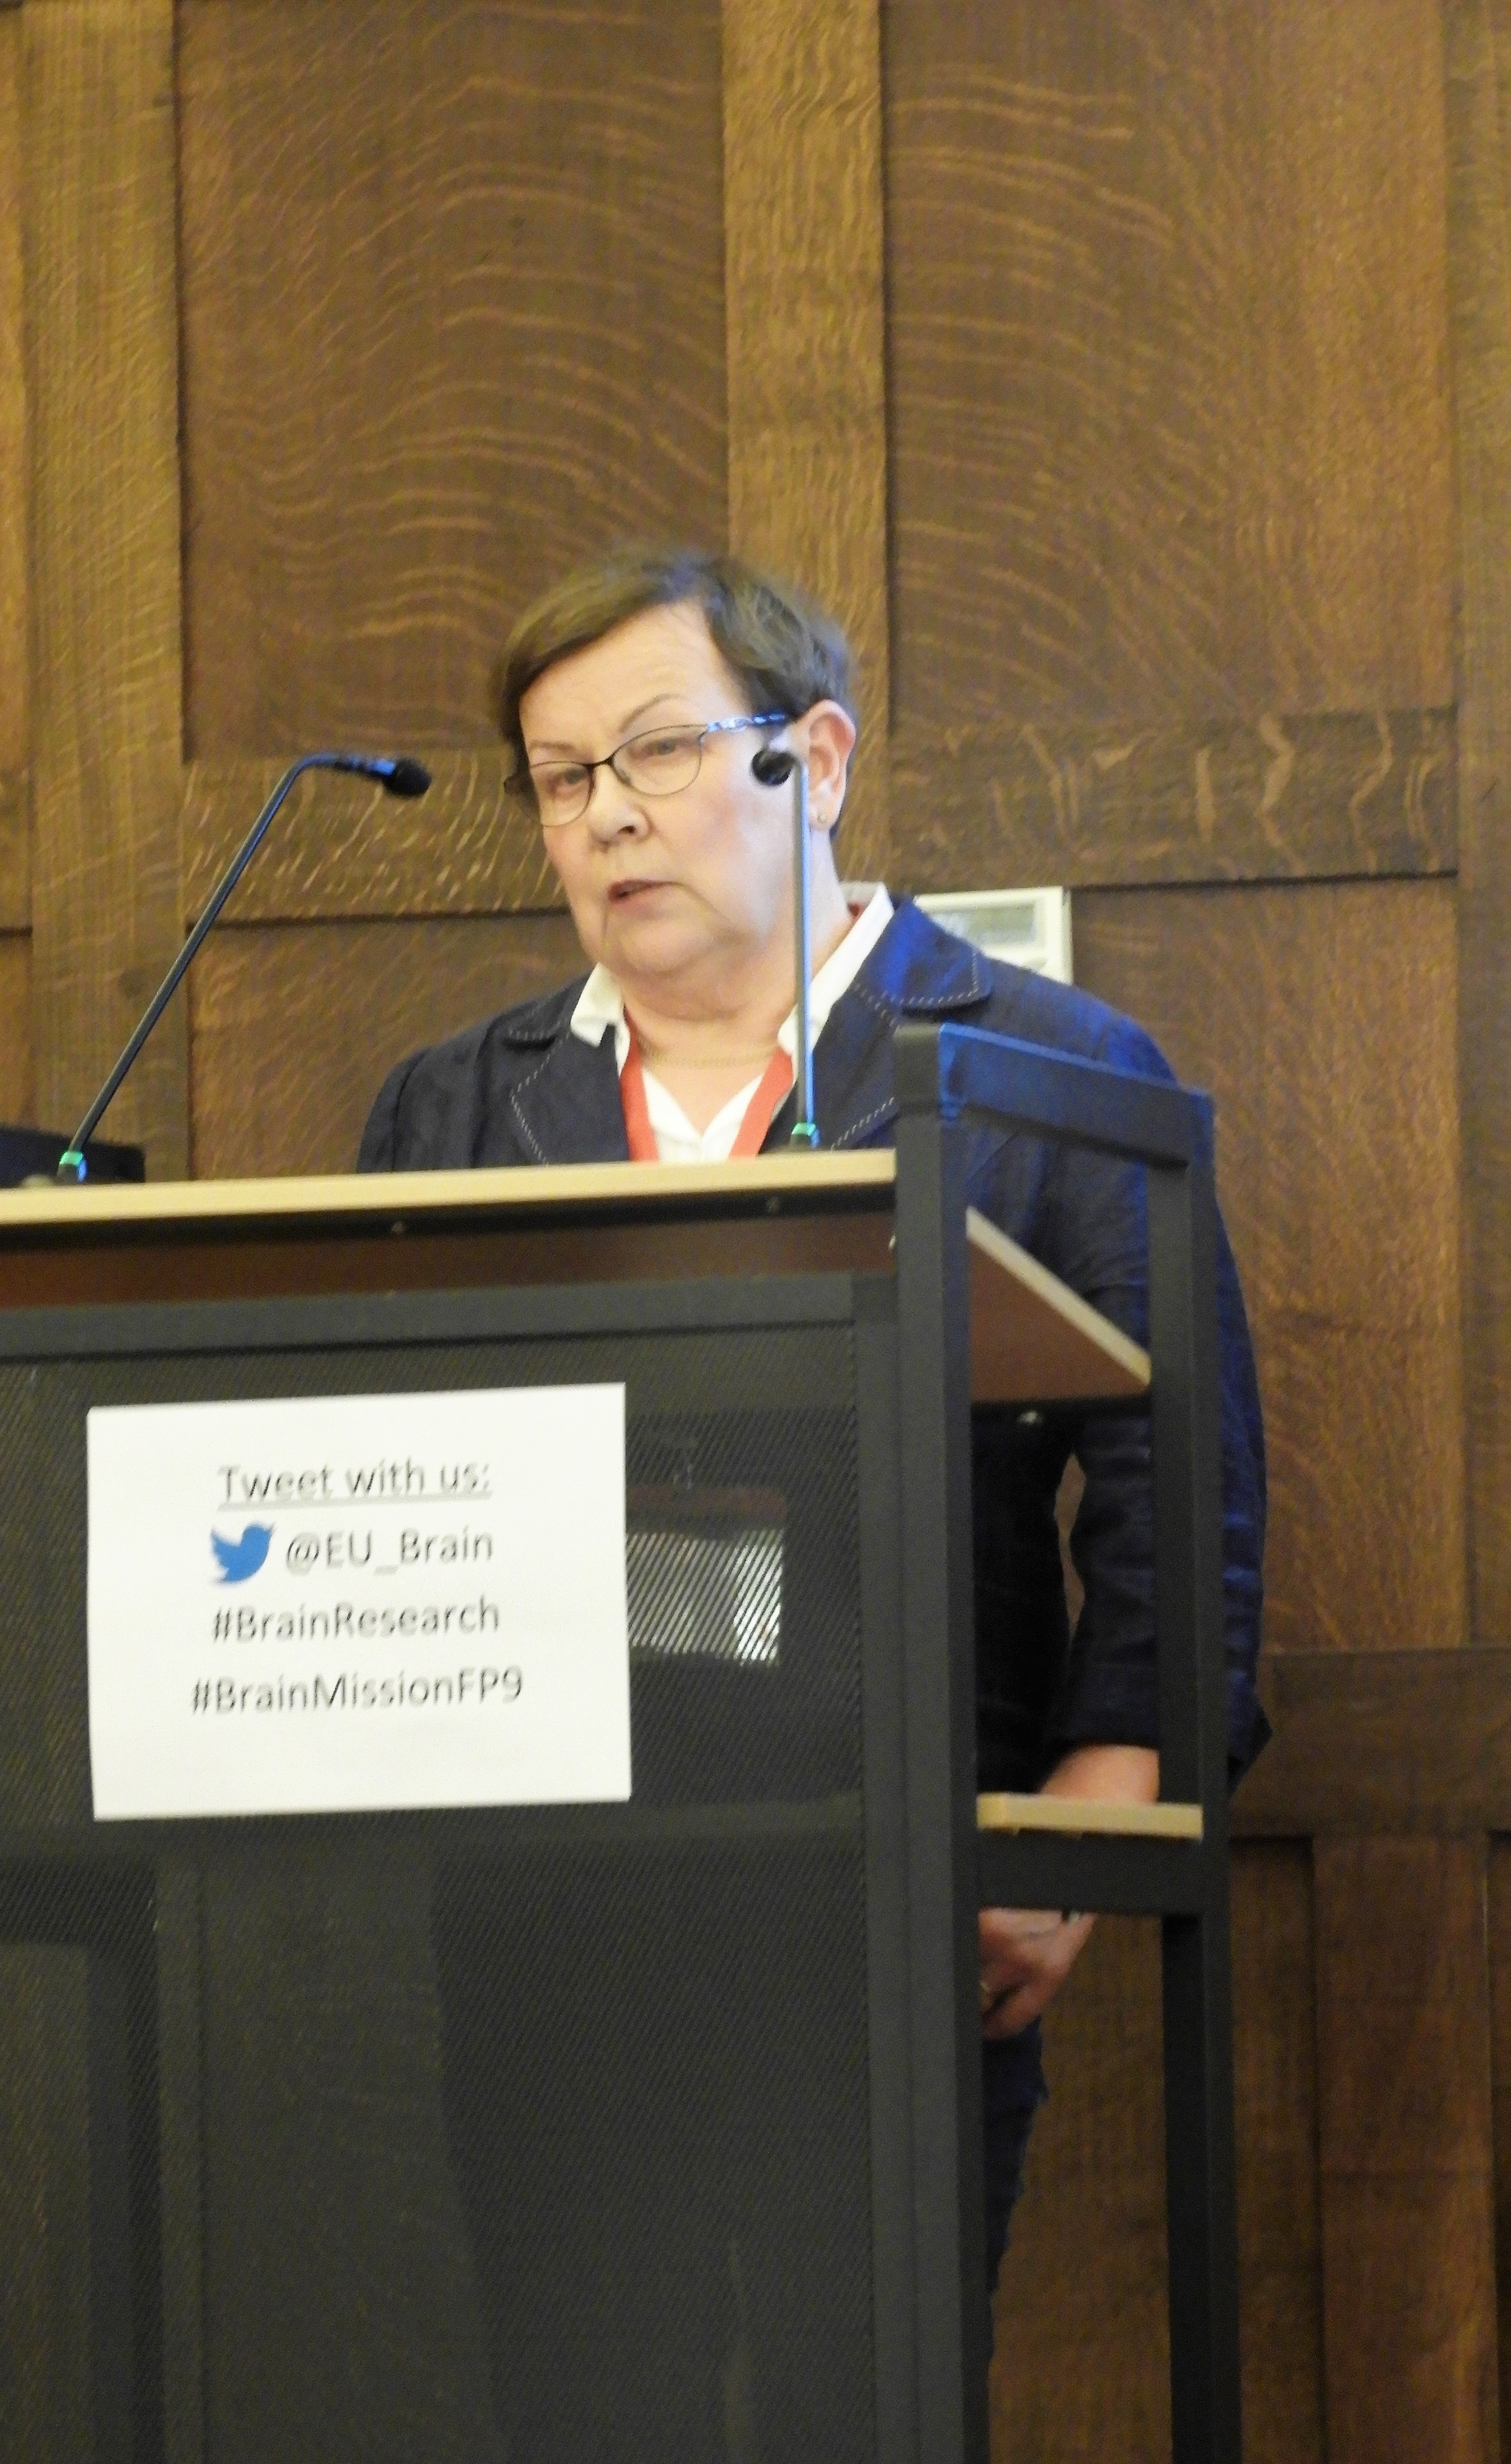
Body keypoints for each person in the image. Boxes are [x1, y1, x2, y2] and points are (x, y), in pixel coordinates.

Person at [358, 546, 1266, 2438]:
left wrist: (1088, 1834)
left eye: (659, 750)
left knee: (872, 2412)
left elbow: (1181, 1496)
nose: (609, 815)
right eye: (562, 778)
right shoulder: (452, 1109)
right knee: (583, 2410)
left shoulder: (1048, 1074)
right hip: (549, 1913)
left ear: (818, 759)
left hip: (897, 1891)